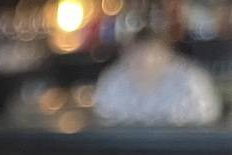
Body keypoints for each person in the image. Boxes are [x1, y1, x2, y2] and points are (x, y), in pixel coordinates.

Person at [94, 28, 222, 126]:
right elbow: (103, 118)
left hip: (181, 148)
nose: (143, 59)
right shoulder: (113, 79)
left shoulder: (190, 79)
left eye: (151, 52)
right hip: (124, 149)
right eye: (135, 53)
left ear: (167, 54)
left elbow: (207, 117)